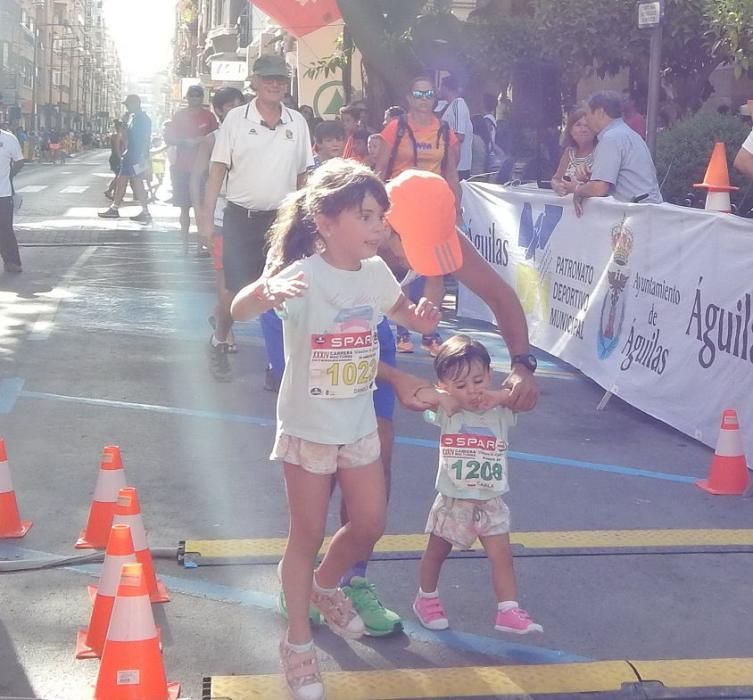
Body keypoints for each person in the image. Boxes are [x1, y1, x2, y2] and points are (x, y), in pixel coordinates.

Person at [230, 159, 441, 700]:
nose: (379, 228)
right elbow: (238, 308)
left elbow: (413, 318)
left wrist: (427, 304)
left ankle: (325, 586)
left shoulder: (375, 274)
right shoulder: (302, 277)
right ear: (324, 222)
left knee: (370, 523)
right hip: (308, 429)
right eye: (366, 217)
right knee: (306, 535)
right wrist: (262, 296)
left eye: (381, 218)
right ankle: (298, 646)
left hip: (359, 423)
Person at [409, 335, 543, 635]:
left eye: (478, 380)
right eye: (460, 385)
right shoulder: (447, 411)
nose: (472, 391)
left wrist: (498, 396)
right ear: (444, 384)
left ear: (489, 375)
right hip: (454, 498)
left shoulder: (500, 411)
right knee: (436, 551)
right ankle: (425, 598)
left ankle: (507, 609)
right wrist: (443, 397)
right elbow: (419, 399)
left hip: (491, 498)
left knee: (502, 556)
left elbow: (525, 398)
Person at [199, 54, 314, 390]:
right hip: (239, 218)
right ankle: (220, 340)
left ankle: (275, 363)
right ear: (254, 82)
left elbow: (303, 176)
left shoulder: (297, 123)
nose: (275, 84)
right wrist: (206, 221)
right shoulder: (236, 119)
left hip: (282, 220)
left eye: (280, 78)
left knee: (282, 295)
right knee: (233, 295)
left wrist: (304, 220)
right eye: (268, 78)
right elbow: (217, 170)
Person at [376, 75, 457, 356]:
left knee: (435, 271)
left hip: (434, 209)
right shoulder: (394, 129)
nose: (424, 100)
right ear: (409, 99)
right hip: (399, 206)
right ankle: (402, 329)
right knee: (405, 269)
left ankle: (429, 331)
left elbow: (451, 173)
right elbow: (381, 167)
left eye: (429, 95)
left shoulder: (446, 132)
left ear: (435, 99)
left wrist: (455, 208)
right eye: (418, 95)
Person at [190, 87, 244, 381]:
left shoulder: (252, 137)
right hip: (223, 219)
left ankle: (220, 318)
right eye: (230, 107)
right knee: (226, 283)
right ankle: (226, 334)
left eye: (240, 105)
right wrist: (202, 217)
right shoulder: (210, 141)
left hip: (251, 220)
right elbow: (196, 179)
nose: (236, 111)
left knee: (245, 283)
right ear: (220, 111)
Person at [573, 90, 662, 217]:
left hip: (634, 216)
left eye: (587, 115)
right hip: (645, 212)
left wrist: (577, 190)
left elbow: (599, 188)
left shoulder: (611, 138)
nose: (586, 121)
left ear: (600, 112)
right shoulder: (627, 134)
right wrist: (590, 178)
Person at [165, 85, 218, 257]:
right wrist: (184, 142)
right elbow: (169, 137)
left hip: (203, 169)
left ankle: (201, 245)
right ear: (187, 97)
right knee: (184, 208)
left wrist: (202, 140)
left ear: (202, 98)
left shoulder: (209, 116)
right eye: (192, 95)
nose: (195, 98)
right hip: (182, 168)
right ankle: (184, 245)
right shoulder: (179, 116)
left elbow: (217, 137)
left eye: (198, 95)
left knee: (203, 207)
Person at [98, 95, 153, 224]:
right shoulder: (133, 118)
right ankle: (117, 208)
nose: (127, 107)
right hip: (131, 154)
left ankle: (142, 211)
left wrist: (143, 156)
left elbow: (144, 138)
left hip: (136, 155)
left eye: (128, 105)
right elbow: (126, 137)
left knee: (135, 183)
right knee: (125, 181)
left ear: (136, 103)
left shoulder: (142, 119)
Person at [552, 107, 597, 196]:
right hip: (567, 206)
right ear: (570, 130)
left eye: (587, 125)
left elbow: (601, 187)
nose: (583, 129)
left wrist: (582, 183)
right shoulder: (569, 152)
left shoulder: (600, 152)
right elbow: (555, 179)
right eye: (578, 125)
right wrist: (557, 186)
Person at [438, 74, 474, 181]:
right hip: (451, 165)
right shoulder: (449, 106)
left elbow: (460, 136)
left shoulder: (458, 105)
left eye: (440, 86)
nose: (438, 90)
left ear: (445, 88)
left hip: (459, 166)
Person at [0, 126, 24, 273]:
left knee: (5, 229)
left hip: (3, 193)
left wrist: (9, 176)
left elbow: (19, 161)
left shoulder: (9, 139)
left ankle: (12, 261)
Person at [105, 119, 125, 200]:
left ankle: (114, 193)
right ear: (120, 127)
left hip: (114, 157)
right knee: (119, 176)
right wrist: (121, 158)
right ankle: (109, 191)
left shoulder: (114, 135)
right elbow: (117, 148)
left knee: (118, 176)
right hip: (116, 158)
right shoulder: (118, 136)